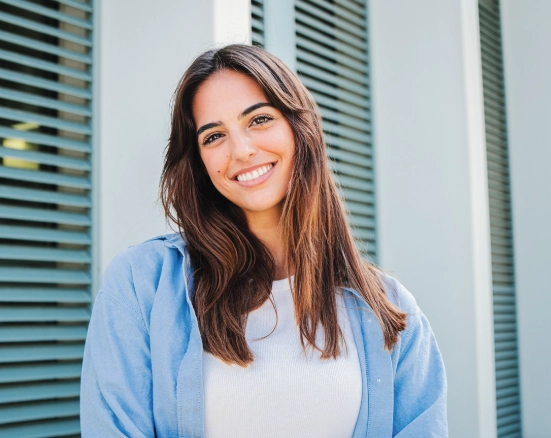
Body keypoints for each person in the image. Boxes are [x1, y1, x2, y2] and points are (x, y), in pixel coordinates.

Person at [80, 44, 447, 437]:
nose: (241, 150)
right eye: (214, 135)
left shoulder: (390, 309)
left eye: (258, 119)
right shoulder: (140, 286)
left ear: (298, 128)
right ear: (200, 162)